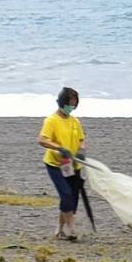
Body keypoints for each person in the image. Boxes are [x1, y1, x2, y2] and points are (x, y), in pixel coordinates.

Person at [37, 87, 86, 241]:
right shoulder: (51, 120)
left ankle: (59, 228)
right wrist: (59, 148)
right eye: (69, 104)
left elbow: (81, 140)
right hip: (55, 164)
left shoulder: (74, 121)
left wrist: (80, 151)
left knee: (72, 197)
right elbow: (42, 139)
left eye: (74, 104)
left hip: (71, 164)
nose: (71, 107)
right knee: (66, 194)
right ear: (62, 102)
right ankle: (71, 228)